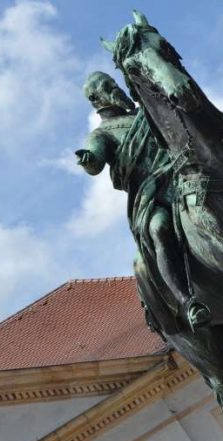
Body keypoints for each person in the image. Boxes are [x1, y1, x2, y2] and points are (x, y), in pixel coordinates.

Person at [76, 71, 211, 331]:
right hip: (153, 195)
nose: (116, 89)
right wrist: (90, 159)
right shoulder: (101, 134)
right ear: (95, 98)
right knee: (158, 228)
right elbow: (95, 159)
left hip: (182, 176)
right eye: (107, 87)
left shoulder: (146, 114)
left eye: (114, 83)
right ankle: (188, 302)